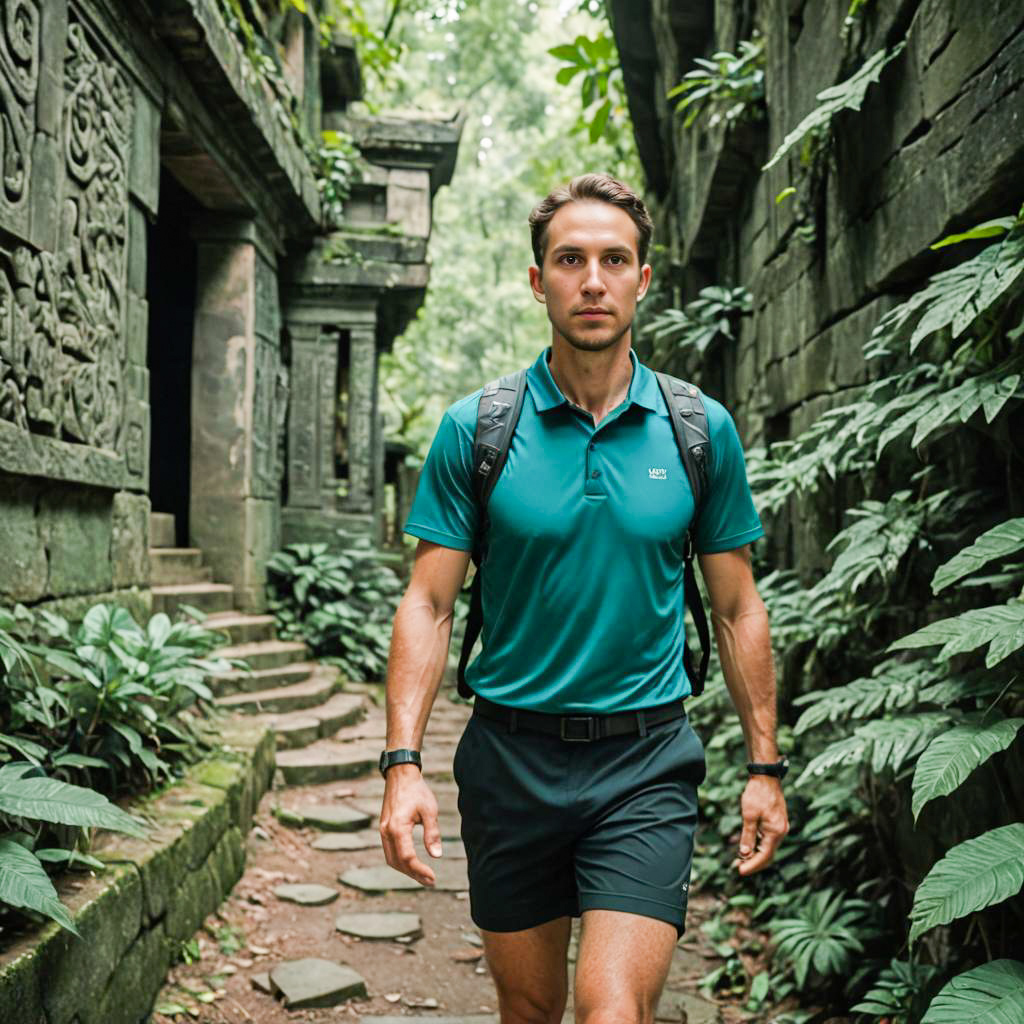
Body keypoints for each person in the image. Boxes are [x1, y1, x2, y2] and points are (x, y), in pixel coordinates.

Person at [378, 173, 789, 1024]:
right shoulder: (477, 429)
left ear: (644, 279)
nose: (592, 279)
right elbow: (428, 602)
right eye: (570, 259)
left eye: (614, 259)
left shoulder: (698, 430)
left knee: (610, 1009)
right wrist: (403, 765)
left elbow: (738, 607)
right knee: (530, 1009)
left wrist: (764, 767)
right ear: (539, 281)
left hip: (644, 765)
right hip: (509, 759)